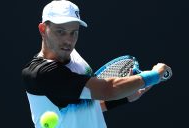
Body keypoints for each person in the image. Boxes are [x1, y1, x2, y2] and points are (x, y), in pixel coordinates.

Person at [21, 0, 172, 128]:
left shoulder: (73, 55)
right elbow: (108, 89)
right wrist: (154, 75)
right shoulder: (41, 73)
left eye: (74, 32)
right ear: (42, 29)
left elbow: (88, 105)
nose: (68, 40)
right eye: (60, 31)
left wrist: (126, 97)